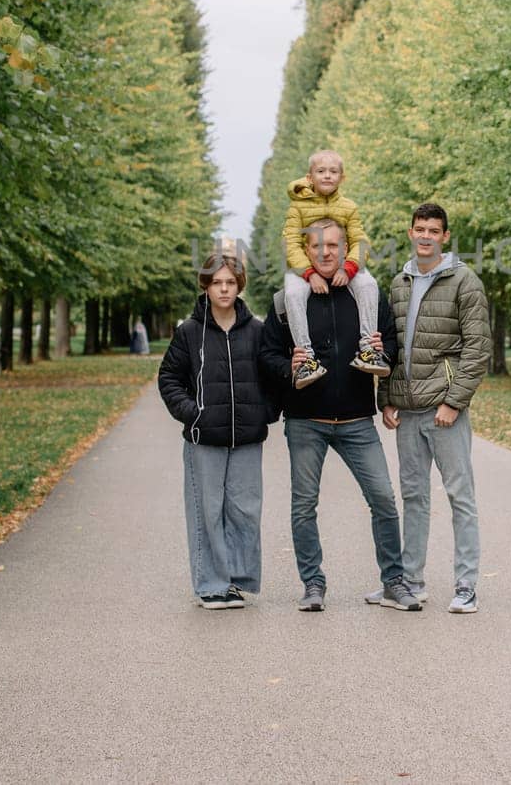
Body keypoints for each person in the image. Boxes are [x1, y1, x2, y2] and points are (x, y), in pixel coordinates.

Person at [261, 218, 420, 612]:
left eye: (333, 245)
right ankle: (313, 584)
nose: (325, 252)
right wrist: (289, 365)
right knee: (303, 506)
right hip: (305, 420)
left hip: (355, 421)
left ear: (345, 247)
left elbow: (392, 345)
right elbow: (267, 354)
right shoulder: (288, 299)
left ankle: (393, 581)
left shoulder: (364, 294)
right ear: (306, 249)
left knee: (383, 498)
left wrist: (384, 348)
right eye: (317, 246)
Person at [372, 203, 491, 614]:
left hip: (444, 409)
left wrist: (453, 401)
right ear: (410, 232)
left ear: (445, 236)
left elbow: (478, 349)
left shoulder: (464, 281)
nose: (426, 235)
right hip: (407, 411)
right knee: (415, 498)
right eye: (419, 228)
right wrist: (386, 397)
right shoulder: (399, 282)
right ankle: (412, 582)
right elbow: (388, 342)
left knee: (461, 496)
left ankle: (466, 586)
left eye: (433, 230)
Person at [157, 252, 274, 609]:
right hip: (203, 438)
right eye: (217, 282)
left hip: (247, 439)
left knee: (244, 510)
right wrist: (193, 414)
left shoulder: (256, 330)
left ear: (239, 286)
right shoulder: (189, 332)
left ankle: (234, 582)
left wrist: (265, 413)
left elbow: (274, 375)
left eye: (230, 282)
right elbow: (169, 379)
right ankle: (211, 584)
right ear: (206, 286)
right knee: (206, 510)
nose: (224, 289)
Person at [280, 149, 390, 389]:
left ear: (342, 177)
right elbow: (291, 244)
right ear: (310, 177)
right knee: (293, 294)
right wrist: (309, 274)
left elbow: (360, 241)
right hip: (304, 268)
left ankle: (369, 350)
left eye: (333, 171)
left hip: (343, 264)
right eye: (321, 171)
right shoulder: (297, 208)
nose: (327, 175)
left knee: (369, 284)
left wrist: (349, 268)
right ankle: (306, 360)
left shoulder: (348, 207)